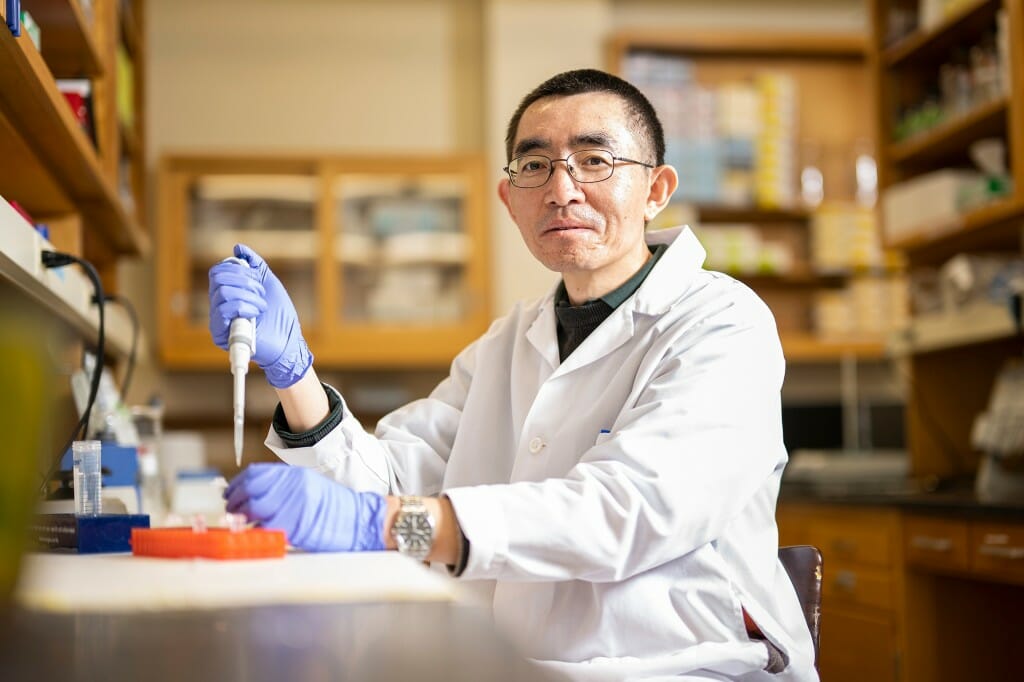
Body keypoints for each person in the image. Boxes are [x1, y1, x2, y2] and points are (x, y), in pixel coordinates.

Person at [208, 68, 817, 681]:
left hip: (683, 669)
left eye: (595, 159)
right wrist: (292, 370)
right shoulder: (508, 341)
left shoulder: (722, 324)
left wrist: (387, 526)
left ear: (656, 189)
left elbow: (627, 512)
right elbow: (389, 480)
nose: (562, 189)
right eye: (534, 166)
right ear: (509, 199)